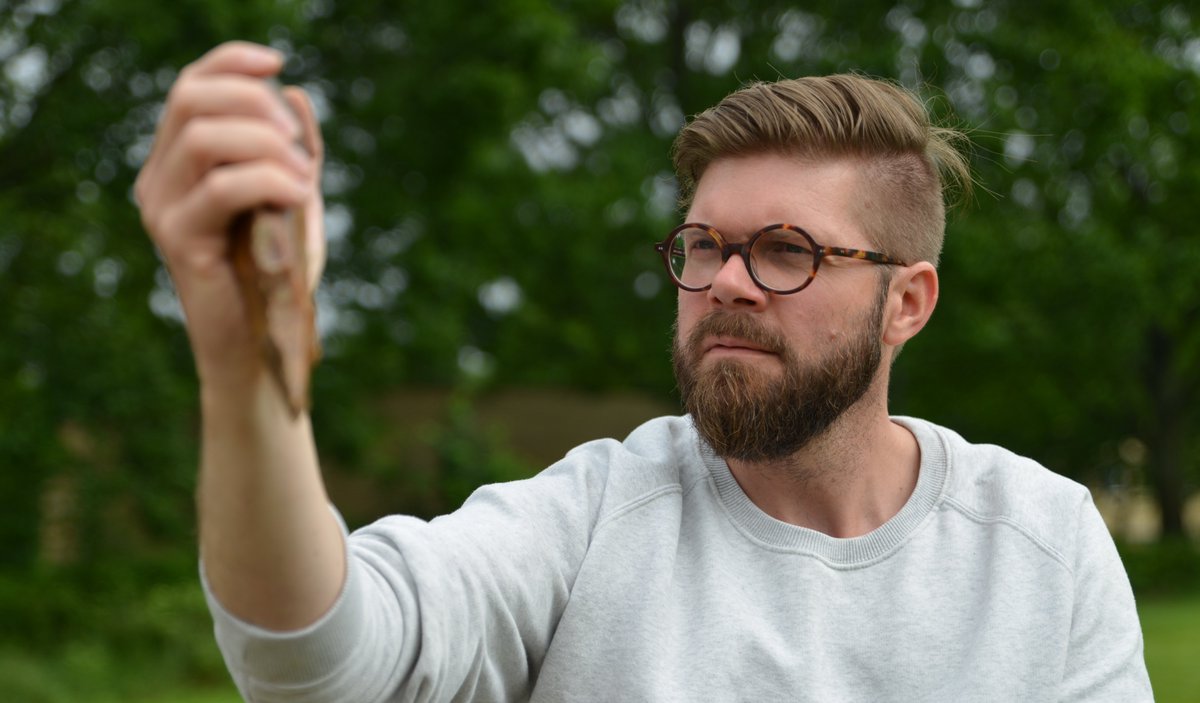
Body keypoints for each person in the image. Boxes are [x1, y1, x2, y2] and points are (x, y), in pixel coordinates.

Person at [136, 41, 1153, 702]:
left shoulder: (1040, 546)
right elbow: (318, 656)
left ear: (908, 302)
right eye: (704, 245)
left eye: (789, 250)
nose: (728, 283)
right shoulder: (592, 519)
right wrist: (244, 371)